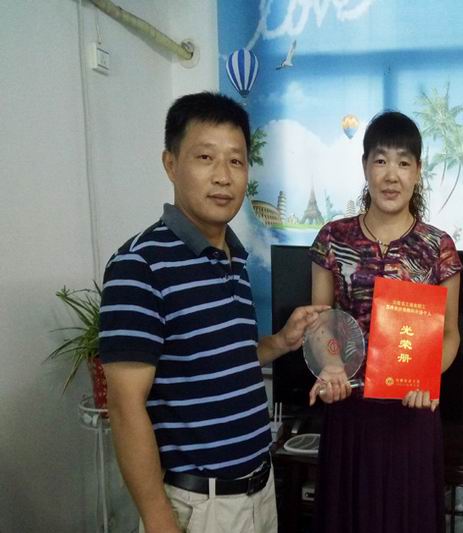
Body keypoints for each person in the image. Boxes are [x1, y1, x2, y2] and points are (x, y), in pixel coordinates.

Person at [99, 91, 327, 533]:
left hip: (259, 493)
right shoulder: (139, 265)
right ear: (171, 164)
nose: (223, 176)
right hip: (197, 506)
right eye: (205, 157)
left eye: (236, 161)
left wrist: (279, 343)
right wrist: (159, 520)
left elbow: (223, 359)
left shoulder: (233, 260)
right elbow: (126, 407)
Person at [307, 111, 462, 533]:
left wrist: (428, 376)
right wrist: (330, 366)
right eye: (380, 160)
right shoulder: (333, 238)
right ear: (365, 167)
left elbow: (450, 333)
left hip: (412, 414)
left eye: (403, 162)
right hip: (348, 410)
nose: (391, 175)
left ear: (418, 172)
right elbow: (320, 321)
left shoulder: (438, 247)